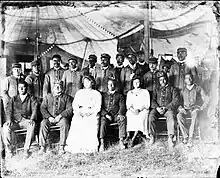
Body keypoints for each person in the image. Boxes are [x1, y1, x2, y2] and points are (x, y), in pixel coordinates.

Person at [65, 75, 102, 153]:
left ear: (92, 82)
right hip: (80, 112)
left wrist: (90, 112)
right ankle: (77, 146)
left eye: (88, 82)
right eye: (84, 82)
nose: (86, 84)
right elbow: (74, 104)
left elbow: (98, 107)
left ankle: (89, 147)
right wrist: (79, 112)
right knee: (77, 121)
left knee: (91, 122)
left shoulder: (97, 93)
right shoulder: (79, 92)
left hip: (91, 113)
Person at [2, 80, 37, 158]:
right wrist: (9, 120)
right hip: (15, 121)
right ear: (17, 88)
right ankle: (9, 150)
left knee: (32, 124)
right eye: (19, 87)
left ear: (26, 88)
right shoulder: (13, 99)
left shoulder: (31, 98)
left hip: (26, 120)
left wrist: (32, 118)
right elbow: (9, 111)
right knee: (5, 128)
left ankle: (26, 150)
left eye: (23, 87)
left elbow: (34, 109)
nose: (21, 89)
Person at [39, 80, 73, 154]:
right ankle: (42, 147)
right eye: (55, 86)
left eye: (59, 86)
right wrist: (49, 117)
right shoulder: (48, 97)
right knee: (43, 123)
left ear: (62, 88)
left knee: (65, 123)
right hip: (49, 119)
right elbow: (42, 108)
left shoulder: (67, 98)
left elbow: (70, 109)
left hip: (60, 119)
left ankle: (62, 146)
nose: (57, 88)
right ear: (53, 88)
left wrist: (60, 116)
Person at [148, 71, 180, 148]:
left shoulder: (173, 89)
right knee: (151, 115)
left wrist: (166, 107)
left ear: (167, 79)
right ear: (159, 81)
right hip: (158, 109)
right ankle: (152, 136)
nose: (163, 81)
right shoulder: (156, 89)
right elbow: (153, 100)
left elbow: (176, 101)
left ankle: (170, 137)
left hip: (168, 109)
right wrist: (157, 107)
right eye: (161, 80)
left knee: (171, 116)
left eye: (164, 79)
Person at [177, 73, 209, 147]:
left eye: (190, 78)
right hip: (185, 109)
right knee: (179, 116)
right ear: (185, 80)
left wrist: (200, 108)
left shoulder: (198, 88)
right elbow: (178, 102)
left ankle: (191, 138)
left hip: (194, 109)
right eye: (187, 78)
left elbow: (206, 100)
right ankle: (185, 136)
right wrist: (180, 108)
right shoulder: (182, 90)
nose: (189, 80)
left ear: (193, 79)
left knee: (195, 115)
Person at [99, 78, 126, 151]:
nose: (111, 86)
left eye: (112, 84)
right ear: (107, 86)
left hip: (116, 115)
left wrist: (120, 114)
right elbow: (100, 107)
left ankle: (121, 141)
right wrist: (105, 114)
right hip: (106, 116)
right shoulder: (103, 95)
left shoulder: (119, 95)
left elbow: (122, 106)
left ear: (115, 85)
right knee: (103, 121)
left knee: (122, 119)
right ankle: (102, 143)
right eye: (109, 84)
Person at [125, 75, 150, 147]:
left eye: (138, 82)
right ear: (132, 83)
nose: (136, 83)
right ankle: (128, 136)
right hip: (133, 110)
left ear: (141, 82)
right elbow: (128, 104)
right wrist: (133, 110)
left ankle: (134, 138)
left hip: (142, 110)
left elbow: (147, 104)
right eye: (134, 82)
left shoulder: (145, 92)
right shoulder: (130, 92)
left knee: (141, 116)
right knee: (129, 114)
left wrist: (139, 110)